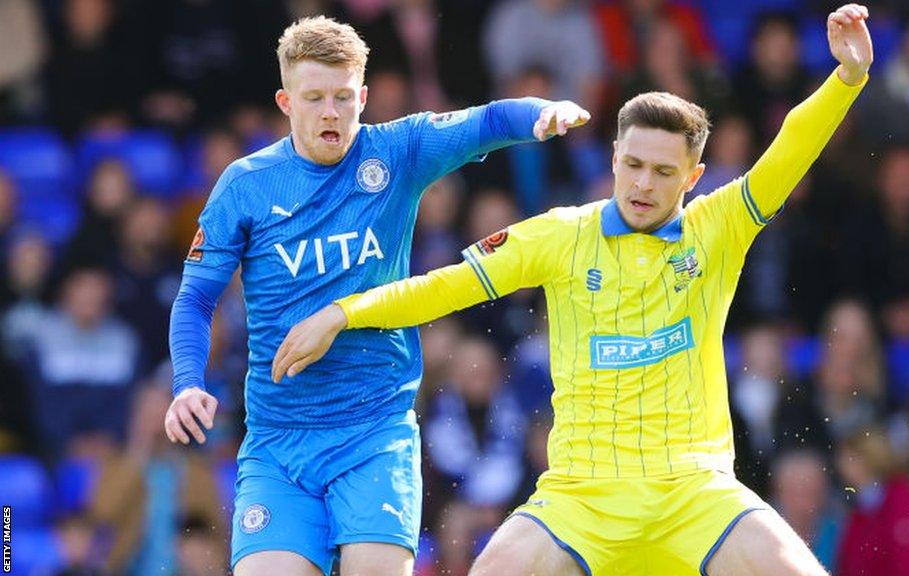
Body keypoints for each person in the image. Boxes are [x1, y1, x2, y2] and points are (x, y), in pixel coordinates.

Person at [273, 5, 872, 575]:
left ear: (692, 178)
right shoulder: (561, 235)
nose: (642, 183)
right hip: (581, 495)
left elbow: (789, 149)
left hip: (694, 489)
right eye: (633, 164)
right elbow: (442, 288)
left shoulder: (718, 228)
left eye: (664, 173)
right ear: (613, 156)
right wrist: (344, 312)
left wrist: (847, 77)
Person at [163, 16, 590, 576]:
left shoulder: (396, 152)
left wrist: (540, 114)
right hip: (279, 441)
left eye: (343, 97)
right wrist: (187, 383)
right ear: (285, 101)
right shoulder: (245, 185)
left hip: (375, 431)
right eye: (314, 98)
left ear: (363, 96)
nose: (330, 112)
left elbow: (484, 120)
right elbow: (195, 299)